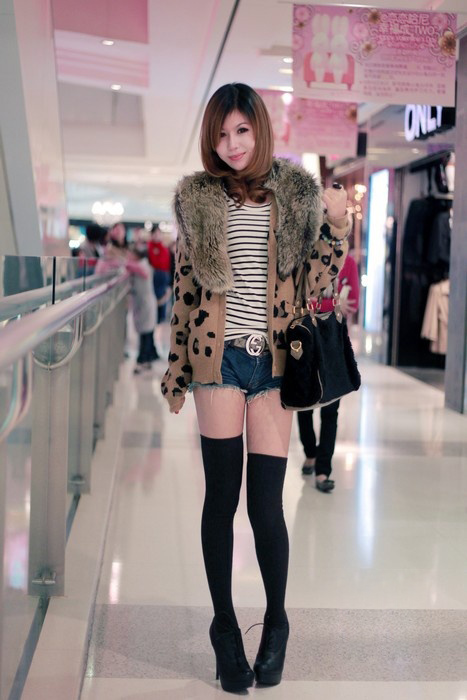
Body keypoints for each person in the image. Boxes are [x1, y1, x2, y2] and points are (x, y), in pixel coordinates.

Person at [160, 83, 351, 692]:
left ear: (260, 130)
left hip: (272, 365)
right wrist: (176, 368)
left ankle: (276, 622)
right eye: (221, 134)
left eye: (241, 130)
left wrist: (336, 229)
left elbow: (317, 282)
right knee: (221, 499)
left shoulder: (295, 194)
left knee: (265, 504)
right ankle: (223, 627)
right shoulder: (199, 199)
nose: (232, 144)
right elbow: (185, 293)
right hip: (216, 362)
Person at [297, 253, 360, 492]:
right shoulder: (308, 257)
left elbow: (352, 303)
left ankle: (323, 470)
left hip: (333, 343)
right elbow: (298, 301)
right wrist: (332, 305)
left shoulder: (348, 262)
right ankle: (310, 453)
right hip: (306, 340)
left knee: (331, 409)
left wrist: (321, 305)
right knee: (304, 404)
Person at [126, 246, 159, 373]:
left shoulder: (142, 266)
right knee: (146, 332)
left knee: (146, 333)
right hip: (143, 304)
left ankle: (143, 360)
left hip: (146, 304)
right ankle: (146, 359)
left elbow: (137, 270)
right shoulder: (141, 265)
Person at [147, 225, 172, 322]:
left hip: (164, 277)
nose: (157, 235)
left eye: (159, 233)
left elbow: (167, 264)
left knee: (163, 300)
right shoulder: (149, 247)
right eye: (155, 233)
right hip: (154, 276)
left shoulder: (164, 247)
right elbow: (153, 262)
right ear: (152, 235)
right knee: (154, 300)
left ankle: (160, 319)